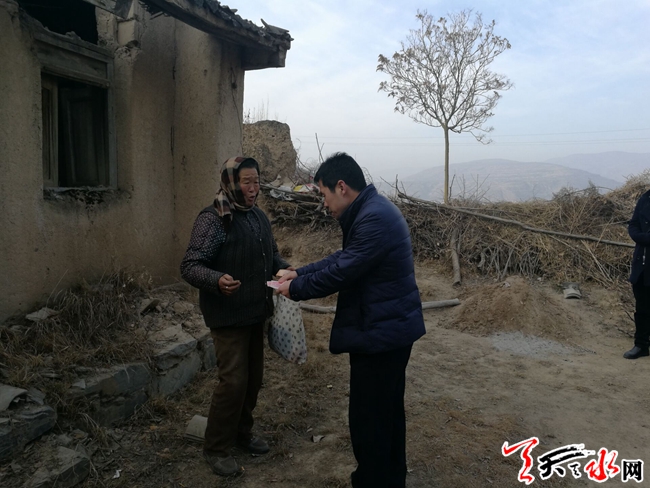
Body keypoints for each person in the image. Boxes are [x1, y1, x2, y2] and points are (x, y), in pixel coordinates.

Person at [277, 152, 426, 488]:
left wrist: (295, 288)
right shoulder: (372, 211)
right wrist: (300, 272)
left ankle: (373, 481)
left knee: (369, 421)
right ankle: (389, 480)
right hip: (387, 328)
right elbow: (345, 257)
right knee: (386, 415)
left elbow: (344, 271)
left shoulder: (373, 218)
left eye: (324, 194)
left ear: (341, 187)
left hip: (381, 334)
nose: (324, 204)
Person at [180, 156, 292, 476]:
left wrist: (283, 269)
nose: (253, 188)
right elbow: (190, 265)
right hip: (227, 316)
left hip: (255, 312)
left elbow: (271, 254)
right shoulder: (215, 219)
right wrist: (216, 280)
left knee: (253, 379)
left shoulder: (258, 217)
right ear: (231, 182)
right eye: (246, 182)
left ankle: (242, 434)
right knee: (233, 382)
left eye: (256, 181)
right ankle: (216, 447)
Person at [624, 188, 650, 359]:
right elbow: (633, 224)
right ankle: (641, 345)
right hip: (643, 263)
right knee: (642, 307)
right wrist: (642, 237)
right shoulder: (645, 198)